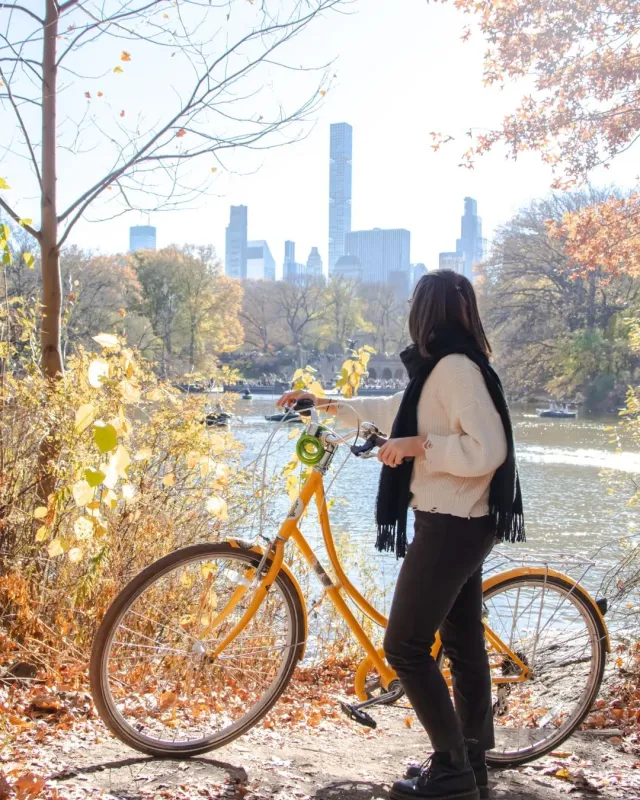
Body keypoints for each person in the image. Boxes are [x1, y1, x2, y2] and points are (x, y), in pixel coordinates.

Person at [277, 270, 524, 800]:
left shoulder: (456, 370)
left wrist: (420, 448)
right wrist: (320, 404)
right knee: (461, 642)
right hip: (456, 519)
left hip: (454, 523)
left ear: (426, 313)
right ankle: (471, 761)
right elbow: (391, 413)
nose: (410, 311)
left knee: (406, 646)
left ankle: (452, 768)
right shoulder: (440, 369)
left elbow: (489, 450)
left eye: (415, 303)